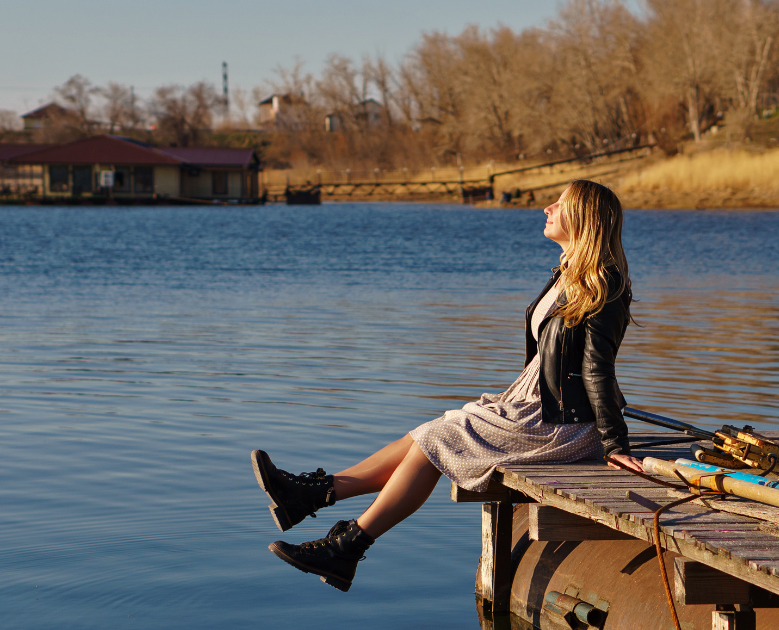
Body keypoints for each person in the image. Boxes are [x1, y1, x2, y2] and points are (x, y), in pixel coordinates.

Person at [250, 179, 642, 592]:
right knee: (442, 426)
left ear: (582, 217)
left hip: (564, 424)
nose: (546, 208)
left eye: (558, 204)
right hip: (532, 405)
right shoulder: (566, 275)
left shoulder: (605, 284)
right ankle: (317, 495)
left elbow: (598, 370)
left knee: (439, 438)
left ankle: (344, 540)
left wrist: (614, 446)